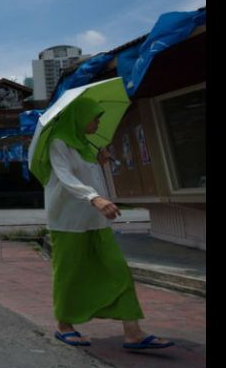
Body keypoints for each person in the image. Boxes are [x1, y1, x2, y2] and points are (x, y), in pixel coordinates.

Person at [42, 97, 174, 350]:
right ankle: (64, 326)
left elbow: (88, 176)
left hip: (96, 221)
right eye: (95, 117)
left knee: (118, 270)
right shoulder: (58, 142)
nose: (99, 122)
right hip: (67, 223)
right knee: (69, 274)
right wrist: (95, 198)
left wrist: (98, 162)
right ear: (80, 117)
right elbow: (65, 177)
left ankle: (133, 332)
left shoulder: (85, 145)